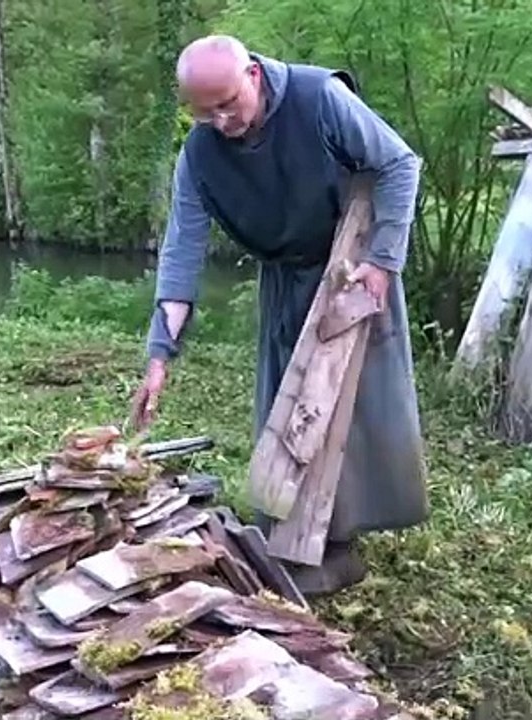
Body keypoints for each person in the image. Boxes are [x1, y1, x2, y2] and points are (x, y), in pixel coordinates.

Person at [127, 34, 430, 596]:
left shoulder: (318, 97)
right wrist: (158, 358)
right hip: (286, 281)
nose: (221, 120)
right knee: (289, 408)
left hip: (351, 268)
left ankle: (340, 546)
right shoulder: (199, 155)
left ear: (255, 78)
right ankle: (295, 541)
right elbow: (182, 251)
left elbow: (398, 162)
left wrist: (382, 262)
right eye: (205, 112)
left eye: (228, 104)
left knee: (353, 410)